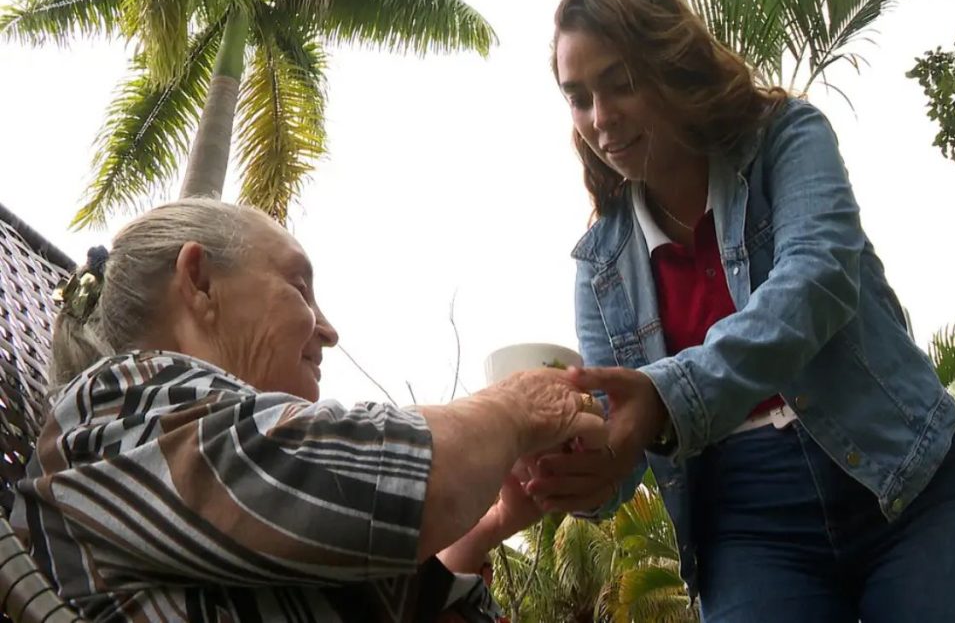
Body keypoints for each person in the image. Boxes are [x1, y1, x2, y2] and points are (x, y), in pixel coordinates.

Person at [523, 0, 955, 622]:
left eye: (621, 82)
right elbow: (626, 438)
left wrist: (668, 396)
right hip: (750, 527)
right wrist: (580, 474)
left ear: (672, 64)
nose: (600, 118)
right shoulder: (600, 268)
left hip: (904, 477)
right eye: (578, 97)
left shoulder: (786, 138)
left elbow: (817, 282)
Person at [11, 198, 608, 623]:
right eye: (299, 286)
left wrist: (489, 523)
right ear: (199, 282)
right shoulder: (111, 410)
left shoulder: (209, 473)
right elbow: (381, 481)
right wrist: (518, 406)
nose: (328, 329)